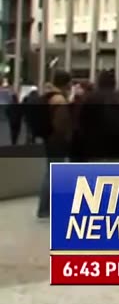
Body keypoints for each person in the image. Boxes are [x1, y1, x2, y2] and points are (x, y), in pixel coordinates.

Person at [35, 71, 74, 220]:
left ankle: (45, 208)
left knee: (50, 173)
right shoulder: (60, 100)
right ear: (66, 83)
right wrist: (66, 138)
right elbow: (61, 124)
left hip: (49, 139)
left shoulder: (49, 96)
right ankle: (45, 208)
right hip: (57, 142)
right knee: (53, 174)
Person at [71, 72, 119, 162]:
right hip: (115, 144)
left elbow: (82, 121)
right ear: (114, 83)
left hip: (94, 145)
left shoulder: (91, 98)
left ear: (99, 82)